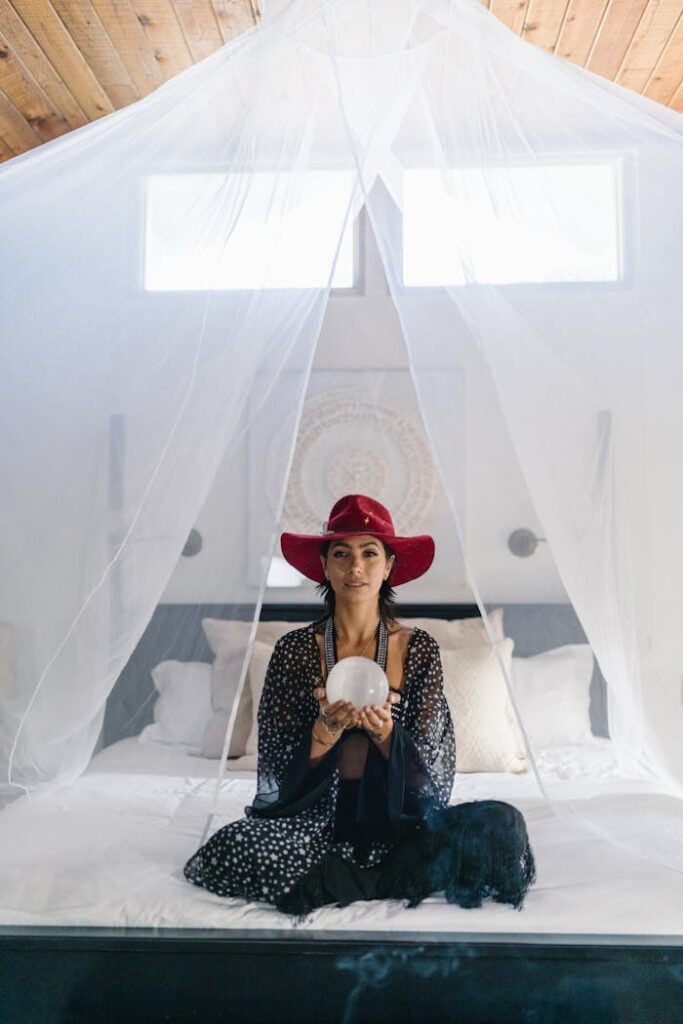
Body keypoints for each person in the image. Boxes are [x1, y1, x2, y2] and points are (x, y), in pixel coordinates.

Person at [183, 493, 457, 905]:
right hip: (314, 819)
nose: (356, 567)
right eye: (342, 554)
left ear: (389, 566)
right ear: (325, 566)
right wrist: (324, 733)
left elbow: (429, 778)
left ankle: (338, 880)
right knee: (232, 846)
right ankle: (376, 880)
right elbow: (276, 769)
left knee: (501, 828)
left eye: (369, 553)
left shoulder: (418, 649)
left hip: (396, 821)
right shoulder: (294, 649)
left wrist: (386, 735)